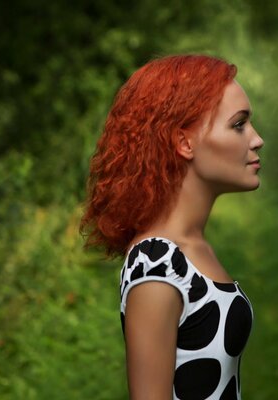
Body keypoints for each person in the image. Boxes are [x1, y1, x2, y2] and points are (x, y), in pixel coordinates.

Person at [80, 54, 264, 399]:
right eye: (238, 125)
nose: (256, 140)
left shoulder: (192, 248)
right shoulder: (156, 262)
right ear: (184, 143)